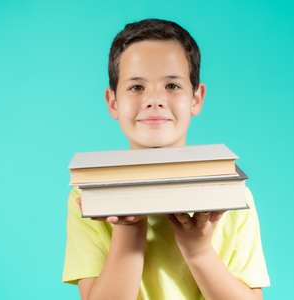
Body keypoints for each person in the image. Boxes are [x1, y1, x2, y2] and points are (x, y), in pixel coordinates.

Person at [62, 18, 270, 300]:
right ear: (113, 102)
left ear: (196, 98)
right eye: (136, 87)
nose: (154, 100)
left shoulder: (232, 196)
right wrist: (128, 232)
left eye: (172, 85)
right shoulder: (89, 199)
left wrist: (198, 251)